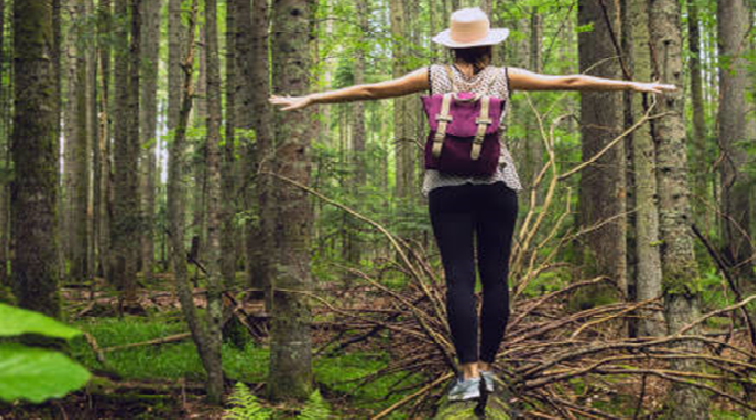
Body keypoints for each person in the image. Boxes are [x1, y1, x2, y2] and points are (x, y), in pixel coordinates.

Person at [270, 7, 675, 401]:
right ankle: (487, 369)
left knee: (459, 279)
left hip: (447, 187)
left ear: (451, 46)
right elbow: (568, 81)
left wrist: (310, 99)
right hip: (498, 183)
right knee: (496, 279)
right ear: (488, 45)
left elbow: (372, 90)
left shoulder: (431, 76)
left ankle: (465, 374)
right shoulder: (504, 77)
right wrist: (633, 86)